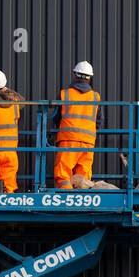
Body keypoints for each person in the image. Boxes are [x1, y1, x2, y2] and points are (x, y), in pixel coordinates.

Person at [51, 61, 102, 189]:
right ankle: (82, 200)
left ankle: (65, 197)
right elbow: (99, 121)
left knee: (63, 172)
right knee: (83, 175)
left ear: (75, 75)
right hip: (88, 141)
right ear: (89, 77)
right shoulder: (96, 97)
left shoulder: (65, 94)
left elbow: (56, 117)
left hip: (68, 139)